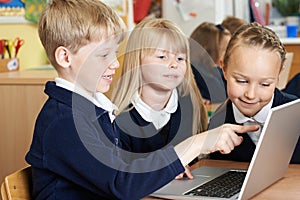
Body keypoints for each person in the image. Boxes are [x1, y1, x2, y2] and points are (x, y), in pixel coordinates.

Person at [25, 1, 259, 199]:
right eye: (104, 55)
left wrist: (163, 169)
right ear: (65, 57)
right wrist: (197, 144)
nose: (115, 64)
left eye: (114, 54)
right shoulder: (65, 121)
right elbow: (121, 182)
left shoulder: (89, 109)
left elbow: (121, 165)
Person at [111, 18, 208, 178]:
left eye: (180, 58)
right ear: (137, 62)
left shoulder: (189, 104)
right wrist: (164, 170)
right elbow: (122, 176)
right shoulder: (121, 117)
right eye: (162, 57)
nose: (173, 64)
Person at [208, 22, 300, 164]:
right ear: (224, 69)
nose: (251, 95)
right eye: (241, 81)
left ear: (279, 74)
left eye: (265, 84)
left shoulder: (295, 113)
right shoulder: (217, 122)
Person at [190, 22, 231, 104]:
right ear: (206, 50)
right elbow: (220, 95)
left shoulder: (217, 70)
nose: (228, 54)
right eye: (224, 49)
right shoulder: (194, 70)